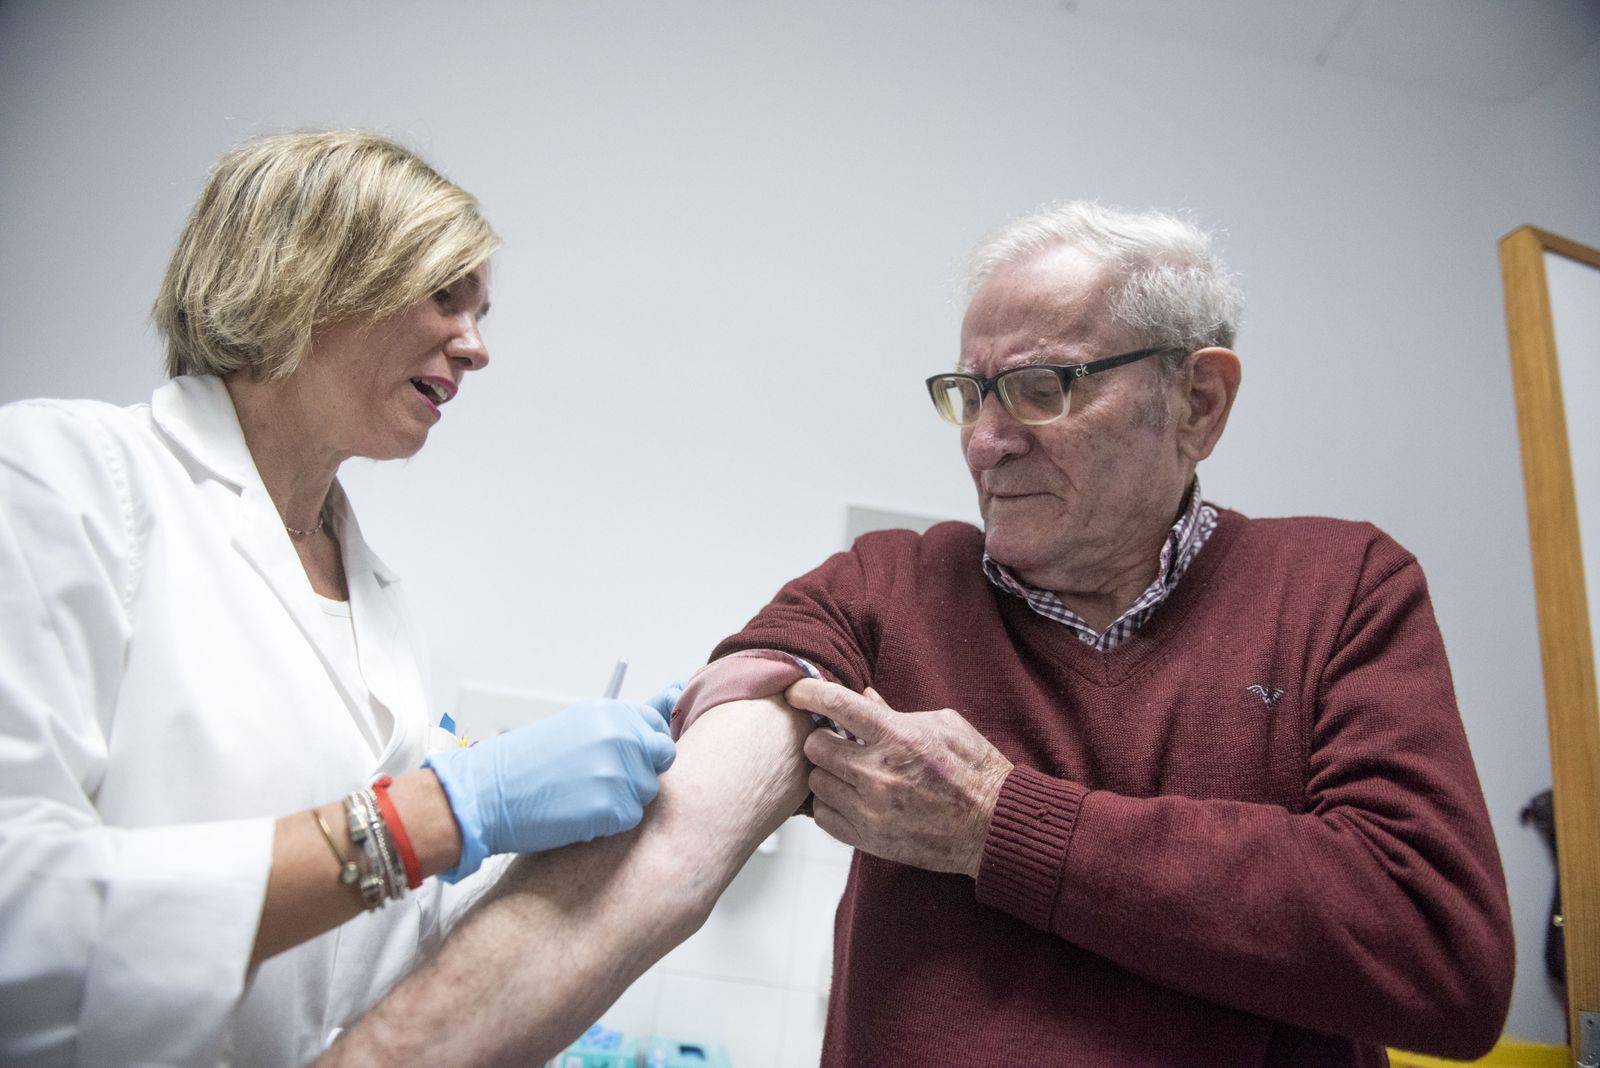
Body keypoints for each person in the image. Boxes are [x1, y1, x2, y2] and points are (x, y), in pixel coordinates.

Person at [659, 201, 1516, 1065]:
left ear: (1198, 402)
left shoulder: (1341, 587)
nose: (986, 444)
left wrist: (998, 821)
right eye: (969, 394)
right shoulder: (891, 584)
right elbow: (750, 693)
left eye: (1042, 388)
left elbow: (1439, 953)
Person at [0, 130, 678, 1067]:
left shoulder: (378, 601)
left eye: (481, 310)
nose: (477, 348)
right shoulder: (63, 479)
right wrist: (445, 810)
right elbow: (19, 918)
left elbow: (371, 942)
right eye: (447, 297)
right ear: (309, 277)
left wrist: (548, 825)